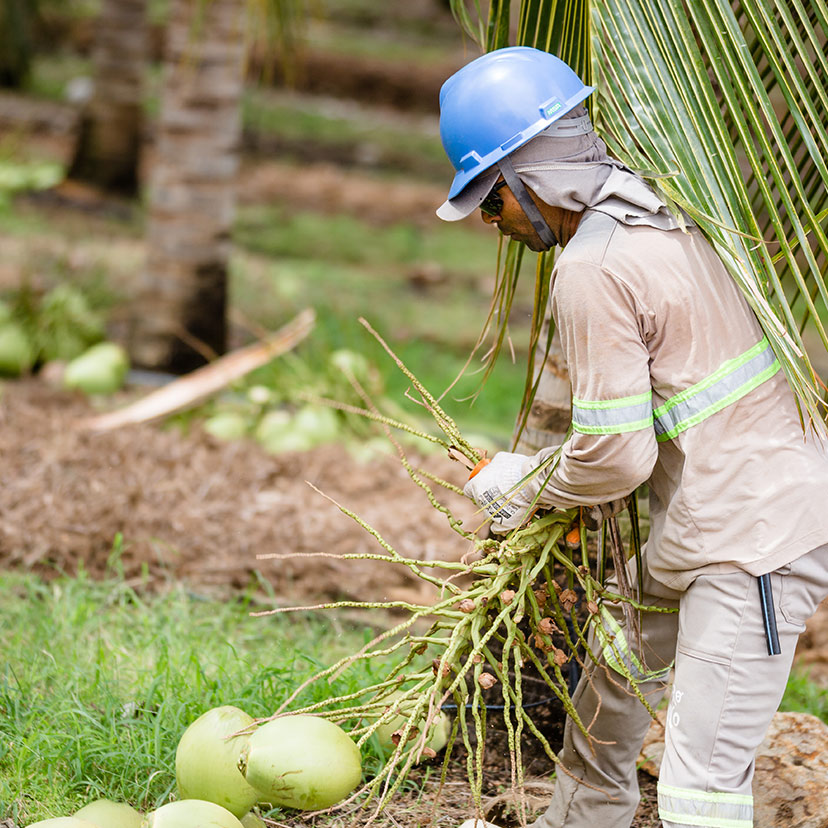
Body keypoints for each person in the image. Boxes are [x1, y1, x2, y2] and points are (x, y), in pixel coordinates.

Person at [436, 46, 828, 828]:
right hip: (704, 520)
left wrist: (522, 488)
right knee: (608, 698)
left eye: (491, 203)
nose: (495, 225)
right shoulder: (661, 208)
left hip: (751, 539)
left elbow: (616, 455)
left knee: (699, 789)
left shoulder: (594, 266)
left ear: (532, 177)